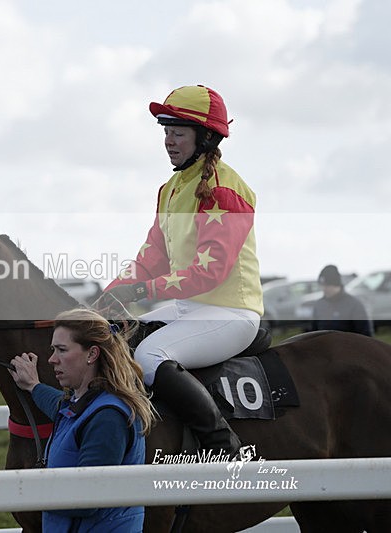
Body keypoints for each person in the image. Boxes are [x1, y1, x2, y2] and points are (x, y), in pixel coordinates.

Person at [96, 85, 263, 457]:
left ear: (204, 138)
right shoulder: (171, 188)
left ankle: (223, 447)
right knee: (115, 340)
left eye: (178, 133)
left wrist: (141, 292)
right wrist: (105, 298)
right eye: (166, 132)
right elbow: (151, 258)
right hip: (189, 309)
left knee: (149, 357)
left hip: (230, 313)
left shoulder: (225, 189)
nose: (169, 141)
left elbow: (209, 272)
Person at [9, 308, 155, 532]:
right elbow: (61, 407)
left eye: (62, 350)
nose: (52, 359)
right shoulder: (84, 404)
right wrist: (33, 386)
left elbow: (87, 498)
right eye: (53, 350)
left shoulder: (108, 418)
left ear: (92, 354)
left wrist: (24, 490)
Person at [311, 265, 373, 336]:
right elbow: (313, 333)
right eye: (322, 285)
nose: (324, 288)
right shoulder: (319, 305)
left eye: (327, 285)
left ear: (336, 284)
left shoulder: (354, 305)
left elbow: (366, 335)